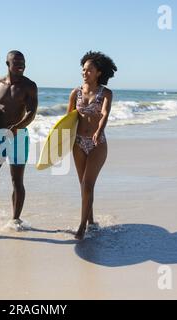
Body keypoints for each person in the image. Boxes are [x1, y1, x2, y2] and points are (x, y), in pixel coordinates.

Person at [0, 50, 38, 235]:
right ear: (7, 63)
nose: (21, 65)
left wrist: (17, 127)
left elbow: (32, 112)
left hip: (18, 136)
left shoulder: (29, 86)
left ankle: (15, 219)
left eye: (23, 62)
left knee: (16, 180)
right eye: (17, 62)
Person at [67, 51, 117, 240]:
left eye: (89, 70)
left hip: (97, 143)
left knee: (88, 184)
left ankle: (82, 227)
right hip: (78, 143)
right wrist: (61, 143)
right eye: (83, 69)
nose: (84, 72)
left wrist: (99, 130)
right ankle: (91, 221)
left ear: (98, 72)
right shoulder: (75, 93)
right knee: (84, 185)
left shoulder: (106, 93)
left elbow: (104, 113)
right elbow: (68, 119)